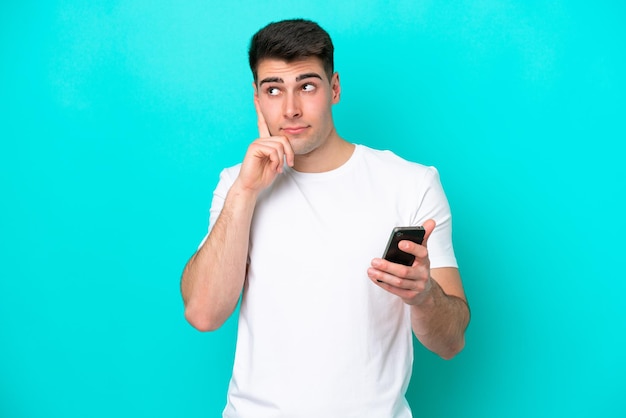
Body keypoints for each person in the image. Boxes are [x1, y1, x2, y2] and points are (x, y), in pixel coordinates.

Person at [180, 18, 470, 418]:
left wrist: (424, 296)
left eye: (307, 86)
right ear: (257, 98)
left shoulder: (411, 183)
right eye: (274, 90)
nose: (291, 108)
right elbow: (202, 313)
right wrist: (245, 193)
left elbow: (452, 341)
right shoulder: (236, 184)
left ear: (334, 88)